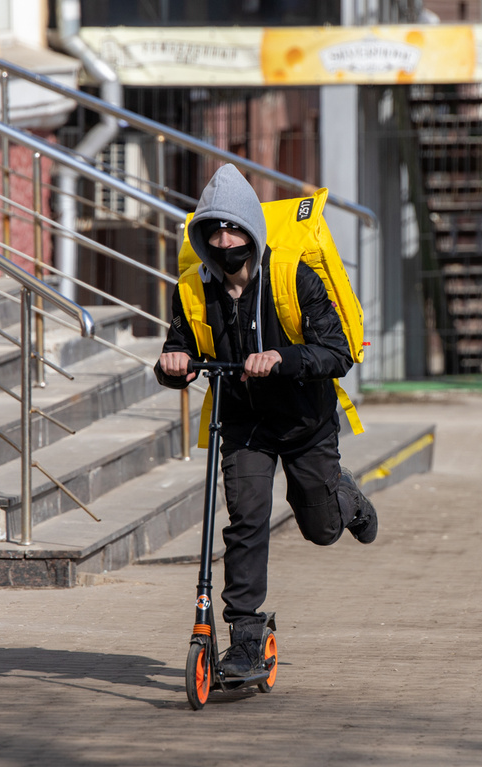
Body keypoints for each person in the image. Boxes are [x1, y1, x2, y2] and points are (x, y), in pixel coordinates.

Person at [155, 164, 378, 678]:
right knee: (246, 522)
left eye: (233, 228)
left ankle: (347, 497)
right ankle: (244, 638)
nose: (224, 239)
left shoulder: (294, 277)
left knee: (321, 530)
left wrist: (282, 358)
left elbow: (337, 353)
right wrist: (171, 367)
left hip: (304, 422)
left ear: (251, 231)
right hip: (242, 423)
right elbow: (178, 350)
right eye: (214, 229)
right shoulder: (193, 289)